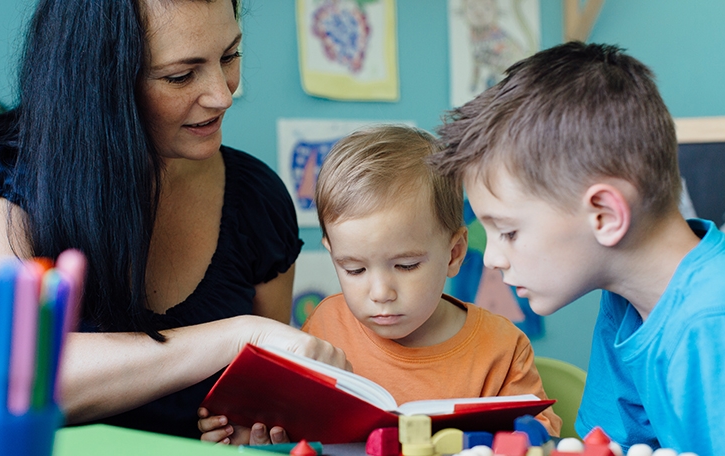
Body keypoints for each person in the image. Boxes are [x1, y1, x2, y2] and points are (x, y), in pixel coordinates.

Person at [0, 0, 347, 441]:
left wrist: (254, 427)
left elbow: (258, 400)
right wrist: (236, 336)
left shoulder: (255, 199)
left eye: (229, 56)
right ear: (98, 81)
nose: (222, 95)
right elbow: (5, 376)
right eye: (180, 76)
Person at [431, 41, 725, 455]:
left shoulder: (723, 317)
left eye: (509, 232)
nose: (495, 258)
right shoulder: (628, 303)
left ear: (605, 215)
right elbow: (607, 446)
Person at [199, 125, 561, 444]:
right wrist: (253, 437)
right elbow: (293, 430)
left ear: (454, 254)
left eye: (405, 266)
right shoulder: (325, 326)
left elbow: (539, 435)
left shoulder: (502, 346)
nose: (380, 293)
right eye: (354, 269)